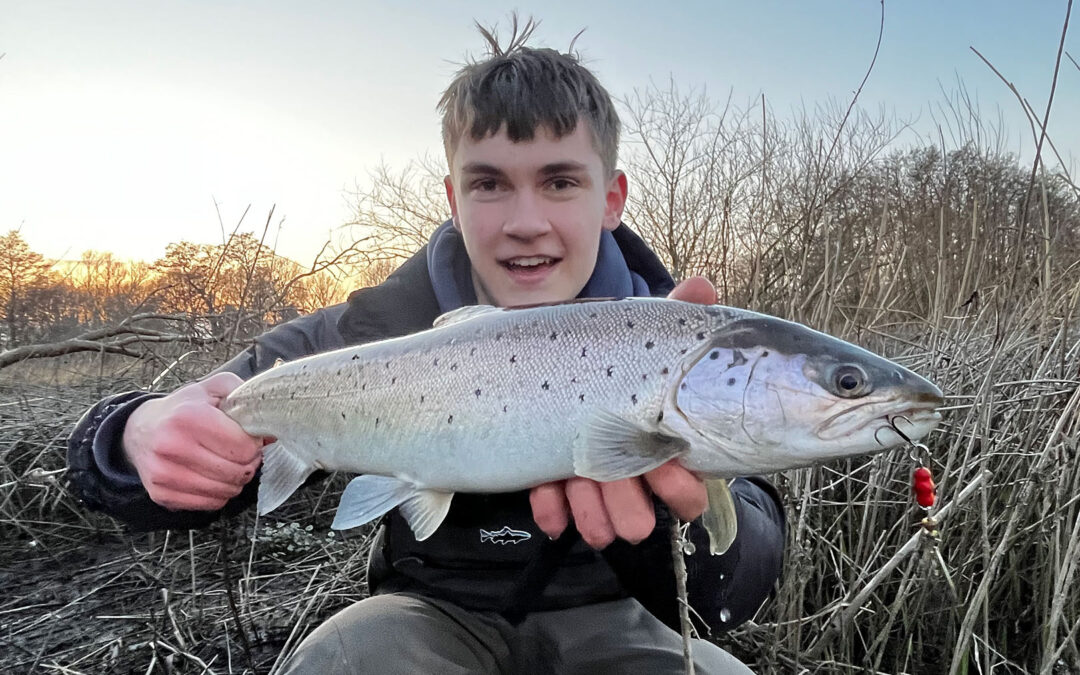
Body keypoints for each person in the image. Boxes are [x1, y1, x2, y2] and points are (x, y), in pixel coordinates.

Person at [67, 21, 785, 674]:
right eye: (490, 185)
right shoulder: (374, 329)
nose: (525, 222)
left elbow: (745, 576)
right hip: (424, 619)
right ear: (451, 196)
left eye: (560, 181)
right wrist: (133, 435)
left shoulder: (686, 338)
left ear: (611, 197)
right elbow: (186, 429)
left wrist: (670, 528)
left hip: (623, 623)